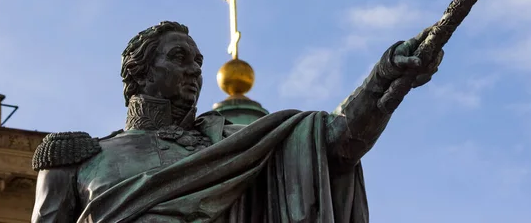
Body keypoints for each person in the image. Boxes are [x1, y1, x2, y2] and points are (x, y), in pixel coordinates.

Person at [31, 21, 443, 223]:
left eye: (198, 63)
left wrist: (387, 77)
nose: (194, 71)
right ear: (139, 73)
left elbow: (335, 143)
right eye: (179, 58)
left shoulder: (231, 144)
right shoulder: (75, 157)